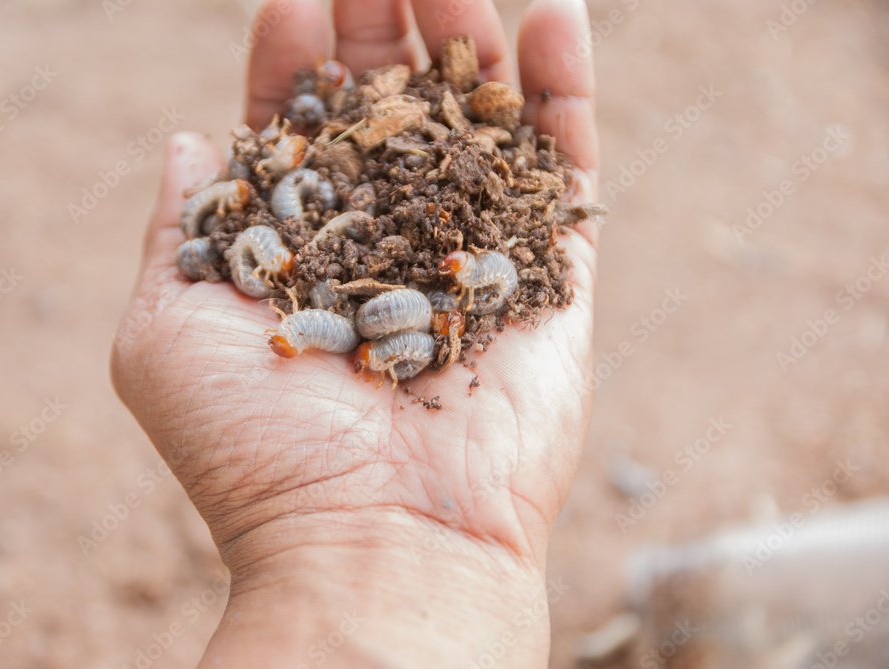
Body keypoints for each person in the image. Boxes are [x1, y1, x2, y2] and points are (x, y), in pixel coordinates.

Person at [111, 0, 599, 666]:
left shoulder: (421, 304)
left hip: (394, 307)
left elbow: (428, 305)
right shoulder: (329, 279)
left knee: (379, 321)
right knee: (367, 319)